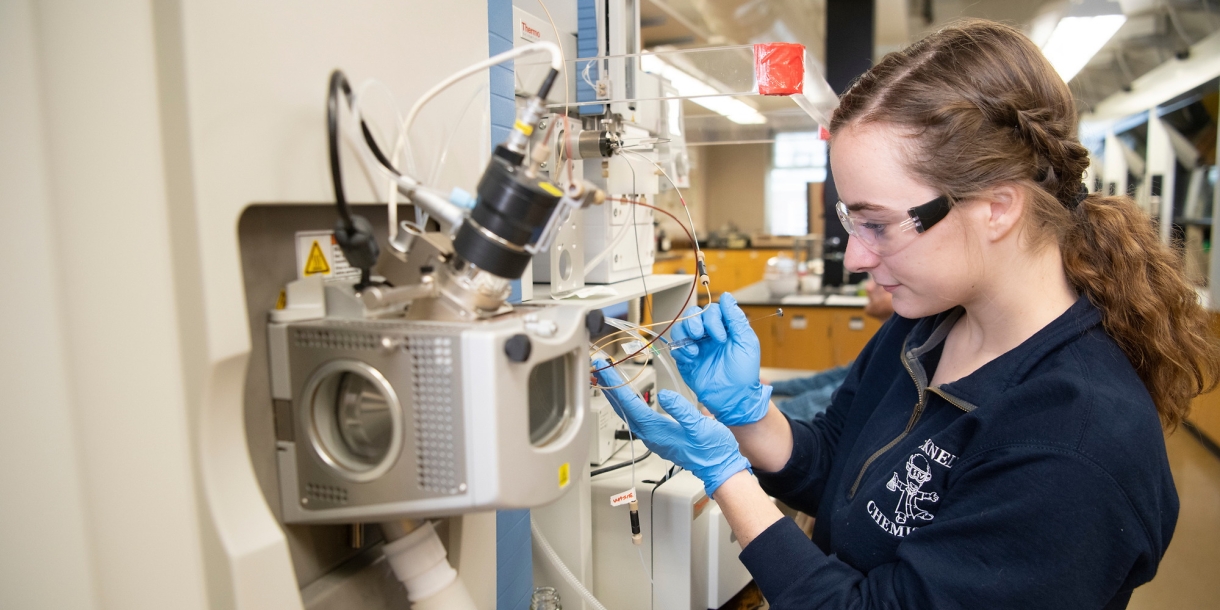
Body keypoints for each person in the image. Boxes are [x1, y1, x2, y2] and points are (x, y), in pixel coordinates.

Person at [592, 20, 1220, 609]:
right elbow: (840, 466)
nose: (859, 257)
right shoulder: (929, 324)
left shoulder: (1075, 443)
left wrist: (728, 478)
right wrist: (751, 420)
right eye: (850, 220)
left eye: (878, 224)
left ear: (998, 207)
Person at [769, 279, 894, 420]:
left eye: (879, 282)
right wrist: (772, 385)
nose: (868, 287)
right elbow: (842, 376)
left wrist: (772, 414)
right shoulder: (889, 337)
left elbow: (834, 397)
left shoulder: (899, 350)